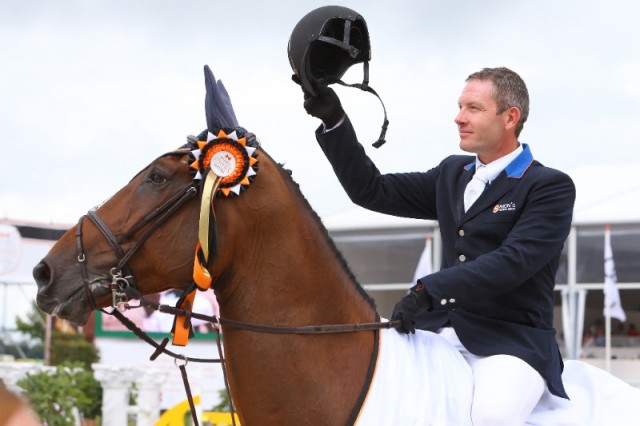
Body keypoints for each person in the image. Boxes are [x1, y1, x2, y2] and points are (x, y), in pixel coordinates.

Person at [294, 66, 576, 425]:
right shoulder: (451, 174)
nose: (459, 118)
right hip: (436, 330)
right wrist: (334, 119)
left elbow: (513, 261)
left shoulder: (549, 186)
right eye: (460, 106)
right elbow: (371, 189)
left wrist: (430, 289)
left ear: (510, 117)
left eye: (473, 108)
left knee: (492, 417)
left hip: (511, 343)